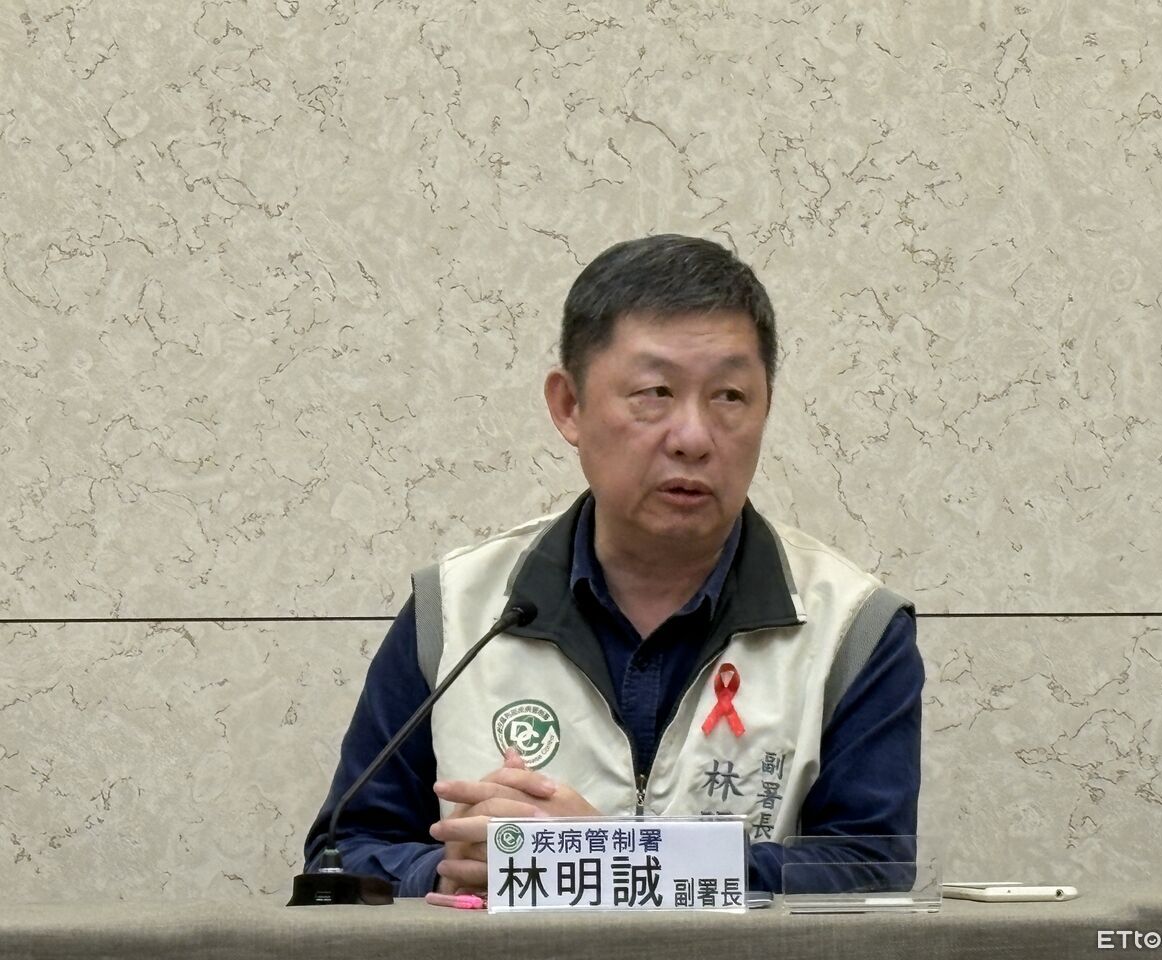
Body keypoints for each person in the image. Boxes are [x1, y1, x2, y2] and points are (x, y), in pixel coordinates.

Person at [302, 234, 924, 895]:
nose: (693, 437)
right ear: (569, 407)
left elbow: (873, 870)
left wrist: (602, 859)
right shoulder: (457, 608)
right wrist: (458, 869)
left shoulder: (852, 627)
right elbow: (343, 855)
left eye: (730, 396)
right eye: (655, 392)